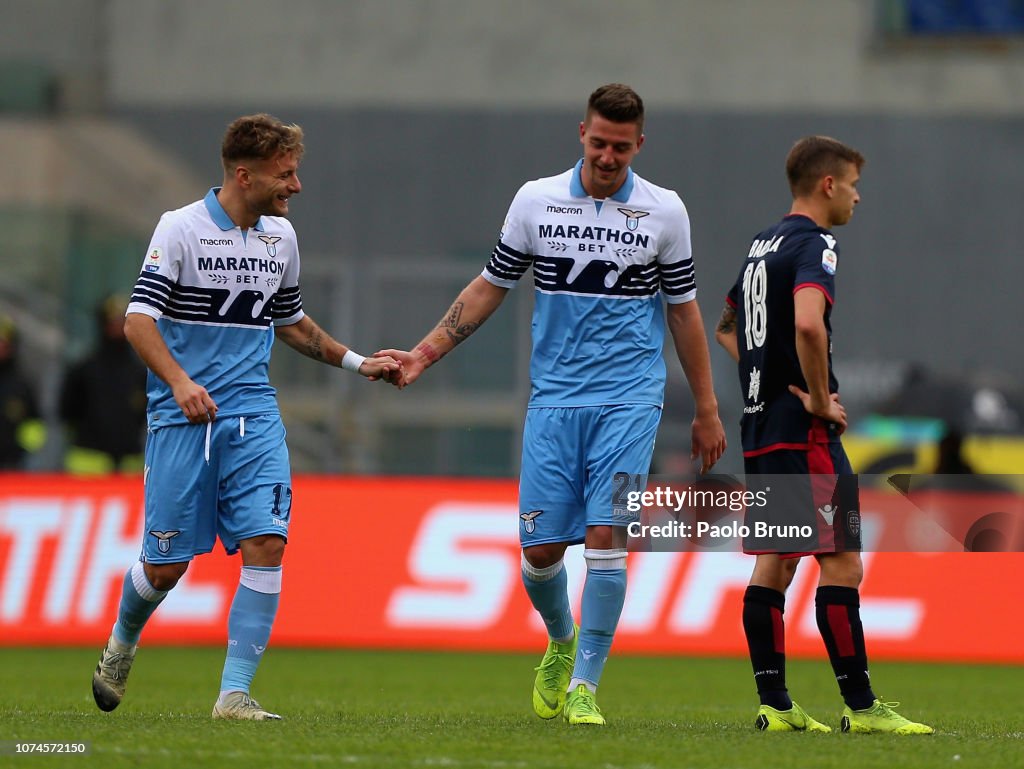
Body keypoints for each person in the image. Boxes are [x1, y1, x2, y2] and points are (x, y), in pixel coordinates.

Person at [378, 84, 727, 726]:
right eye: (599, 143)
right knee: (540, 554)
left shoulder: (665, 212)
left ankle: (586, 686)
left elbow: (684, 312)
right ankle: (562, 638)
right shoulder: (535, 201)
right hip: (555, 401)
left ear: (639, 145)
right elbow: (490, 287)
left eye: (621, 147)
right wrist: (425, 354)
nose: (608, 157)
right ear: (582, 135)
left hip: (630, 400)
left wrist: (706, 408)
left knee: (607, 536)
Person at [90, 114, 400, 721]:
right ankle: (121, 642)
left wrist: (359, 362)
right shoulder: (179, 229)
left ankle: (233, 695)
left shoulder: (279, 238)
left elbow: (291, 323)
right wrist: (180, 383)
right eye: (286, 175)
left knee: (267, 542)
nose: (296, 187)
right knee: (165, 565)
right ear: (244, 174)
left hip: (253, 416)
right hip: (184, 419)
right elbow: (137, 321)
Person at [715, 135, 933, 734]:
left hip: (761, 427)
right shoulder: (816, 245)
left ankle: (775, 706)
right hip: (804, 432)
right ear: (828, 184)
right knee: (842, 564)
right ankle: (862, 710)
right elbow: (809, 324)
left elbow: (727, 327)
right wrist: (815, 397)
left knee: (777, 563)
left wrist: (761, 377)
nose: (859, 196)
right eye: (855, 184)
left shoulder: (762, 245)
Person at [59, 294, 148, 474]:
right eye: (111, 322)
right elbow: (67, 412)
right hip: (88, 462)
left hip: (129, 462)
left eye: (120, 322)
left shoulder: (140, 371)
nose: (116, 328)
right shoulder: (84, 369)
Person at [0, 313, 45, 469]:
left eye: (4, 343)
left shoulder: (21, 384)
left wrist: (22, 449)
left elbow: (35, 423)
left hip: (11, 464)